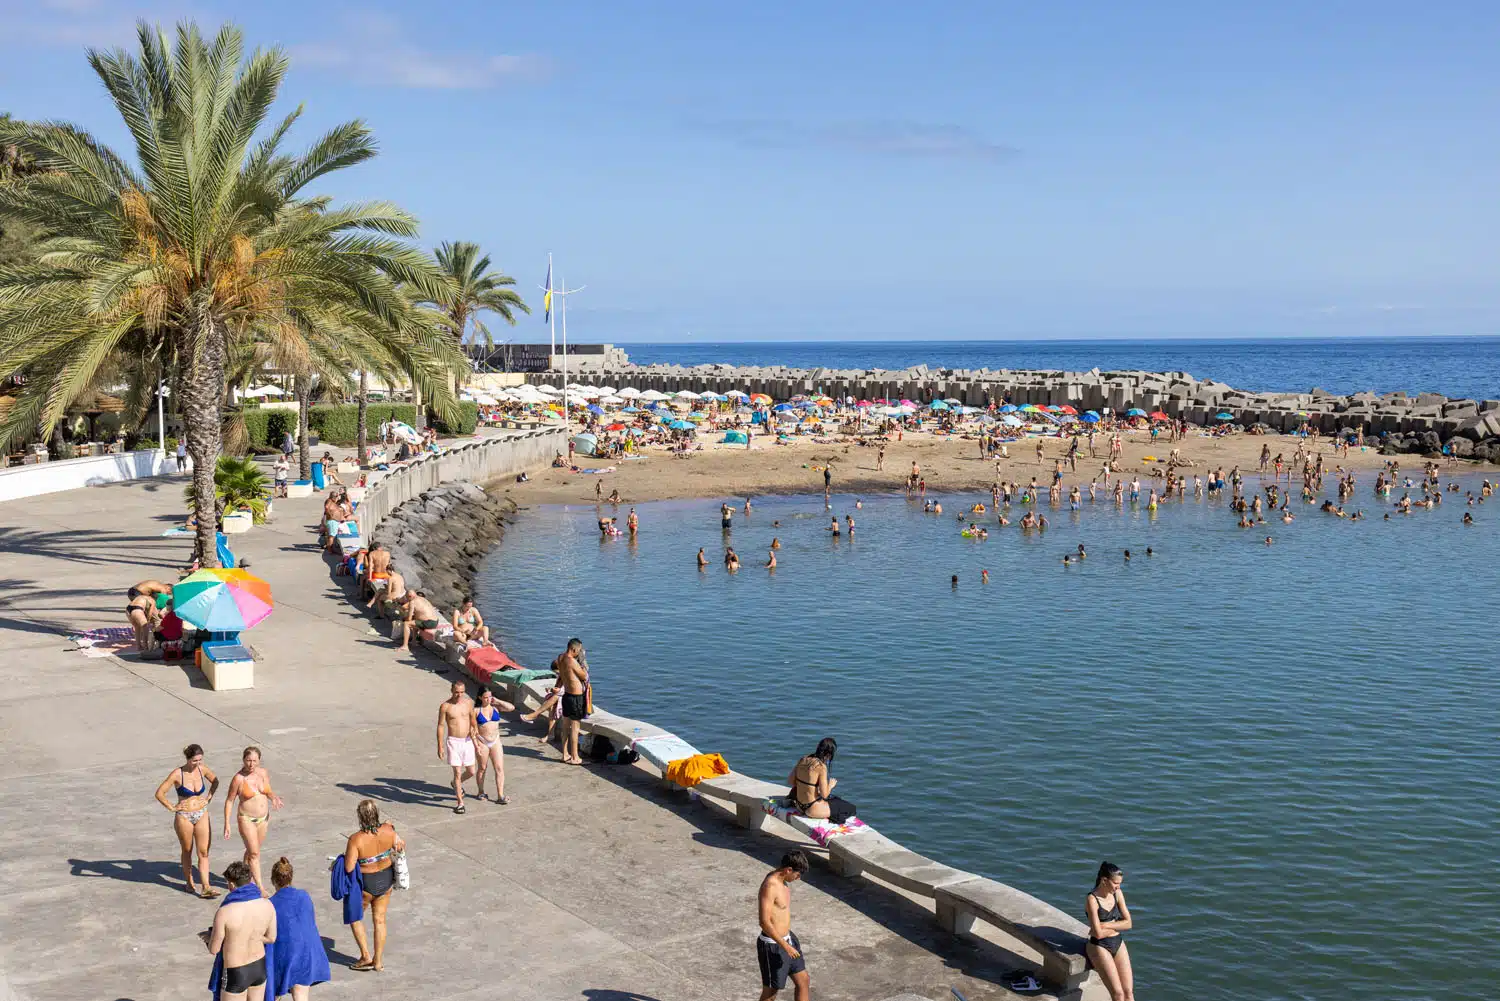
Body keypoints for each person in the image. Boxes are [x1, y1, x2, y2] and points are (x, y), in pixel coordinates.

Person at [344, 800, 405, 972]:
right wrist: (391, 830)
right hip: (386, 879)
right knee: (380, 920)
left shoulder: (356, 839)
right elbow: (400, 844)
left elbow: (349, 867)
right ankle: (378, 962)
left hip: (366, 883)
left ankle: (365, 956)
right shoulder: (389, 831)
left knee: (355, 917)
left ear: (360, 816)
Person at [154, 744, 220, 898]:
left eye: (200, 760)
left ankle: (206, 886)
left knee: (203, 851)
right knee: (187, 850)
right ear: (188, 759)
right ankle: (189, 882)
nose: (198, 763)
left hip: (201, 813)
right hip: (184, 816)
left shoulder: (202, 769)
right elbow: (160, 793)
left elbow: (215, 781)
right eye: (194, 760)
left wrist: (208, 798)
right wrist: (172, 807)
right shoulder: (177, 774)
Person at [206, 860, 276, 1001]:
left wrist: (209, 938)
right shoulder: (267, 904)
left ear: (231, 884)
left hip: (236, 971)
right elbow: (271, 938)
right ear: (250, 880)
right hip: (259, 966)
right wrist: (252, 936)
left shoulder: (225, 912)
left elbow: (214, 949)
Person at [268, 857, 330, 1000]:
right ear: (291, 877)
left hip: (285, 955)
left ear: (273, 880)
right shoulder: (304, 896)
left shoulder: (270, 904)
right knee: (301, 995)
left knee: (272, 993)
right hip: (307, 953)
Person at [223, 746, 281, 893]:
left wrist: (274, 797)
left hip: (263, 818)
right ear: (243, 760)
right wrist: (227, 823)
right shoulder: (238, 779)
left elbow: (268, 791)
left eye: (254, 761)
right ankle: (260, 887)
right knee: (254, 854)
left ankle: (238, 878)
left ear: (259, 761)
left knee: (251, 852)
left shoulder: (263, 773)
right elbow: (230, 801)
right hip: (246, 819)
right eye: (248, 760)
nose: (251, 764)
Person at [757, 851, 811, 1001]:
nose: (798, 878)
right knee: (771, 993)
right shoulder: (770, 886)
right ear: (788, 870)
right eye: (797, 875)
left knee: (803, 981)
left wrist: (788, 944)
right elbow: (764, 922)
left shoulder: (782, 880)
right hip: (773, 946)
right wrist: (785, 947)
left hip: (789, 940)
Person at [1085, 862, 1135, 1001]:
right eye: (1115, 883)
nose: (1118, 887)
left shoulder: (1117, 894)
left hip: (1117, 942)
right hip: (1099, 945)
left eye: (1120, 883)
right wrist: (1117, 924)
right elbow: (1098, 934)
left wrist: (1106, 925)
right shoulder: (1092, 899)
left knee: (1128, 993)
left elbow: (1129, 923)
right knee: (1118, 994)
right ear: (1104, 880)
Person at [436, 681, 476, 813]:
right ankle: (460, 803)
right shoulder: (445, 706)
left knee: (471, 771)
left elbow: (472, 718)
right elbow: (441, 726)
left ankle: (455, 783)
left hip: (467, 741)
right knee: (457, 772)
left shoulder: (468, 703)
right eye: (456, 692)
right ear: (451, 691)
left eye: (462, 692)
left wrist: (474, 729)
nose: (459, 695)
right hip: (453, 742)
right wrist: (440, 746)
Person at [472, 687, 516, 804]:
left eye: (490, 696)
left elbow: (511, 708)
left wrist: (497, 701)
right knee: (482, 768)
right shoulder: (476, 711)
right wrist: (476, 745)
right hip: (482, 741)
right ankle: (481, 791)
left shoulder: (496, 708)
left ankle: (500, 795)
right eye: (485, 697)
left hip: (495, 741)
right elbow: (472, 730)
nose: (488, 699)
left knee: (499, 768)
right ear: (480, 697)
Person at [554, 638, 591, 765]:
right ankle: (575, 757)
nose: (579, 652)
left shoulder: (560, 658)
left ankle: (565, 754)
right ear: (574, 649)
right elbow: (583, 676)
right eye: (579, 650)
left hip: (567, 695)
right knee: (575, 728)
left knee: (565, 726)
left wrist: (557, 686)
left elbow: (561, 675)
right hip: (575, 697)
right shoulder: (572, 661)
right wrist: (583, 662)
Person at [788, 738, 839, 820]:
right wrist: (830, 785)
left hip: (799, 805)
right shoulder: (821, 767)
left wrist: (807, 787)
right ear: (829, 754)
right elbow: (824, 795)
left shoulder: (803, 759)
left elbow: (790, 781)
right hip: (812, 809)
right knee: (848, 808)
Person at [126, 579, 171, 652]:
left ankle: (139, 646)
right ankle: (146, 647)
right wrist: (148, 620)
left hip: (128, 609)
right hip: (137, 609)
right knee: (145, 627)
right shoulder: (154, 598)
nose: (168, 594)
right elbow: (150, 612)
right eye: (170, 592)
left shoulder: (143, 596)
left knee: (137, 628)